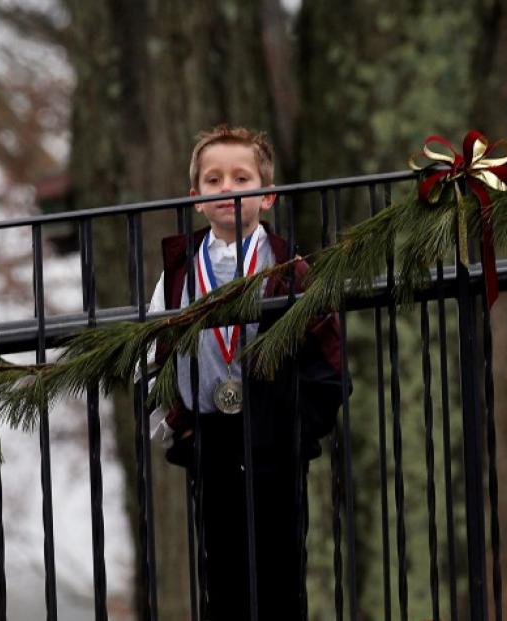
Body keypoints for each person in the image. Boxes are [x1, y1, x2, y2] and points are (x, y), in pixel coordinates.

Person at [144, 125, 345, 620]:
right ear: (195, 198)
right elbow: (155, 355)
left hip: (277, 443)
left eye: (241, 177)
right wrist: (183, 425)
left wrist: (298, 427)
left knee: (280, 580)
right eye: (213, 180)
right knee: (223, 581)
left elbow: (329, 361)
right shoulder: (178, 274)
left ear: (270, 195)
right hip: (211, 445)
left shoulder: (291, 268)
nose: (227, 188)